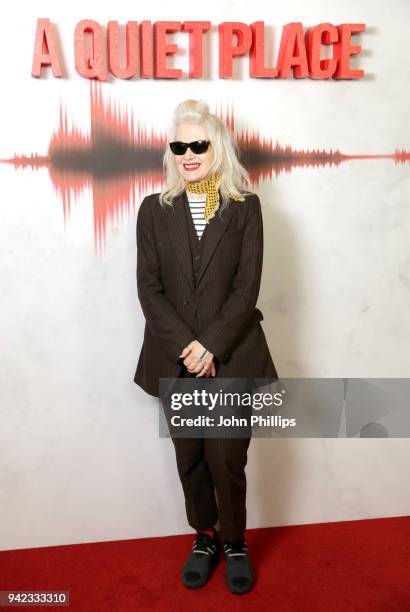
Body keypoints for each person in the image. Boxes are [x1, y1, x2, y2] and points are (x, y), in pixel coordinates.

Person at [134, 99, 278, 594]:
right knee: (190, 457)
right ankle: (206, 537)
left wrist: (211, 345)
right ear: (171, 153)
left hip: (232, 356)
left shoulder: (246, 207)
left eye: (199, 144)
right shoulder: (153, 210)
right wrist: (188, 347)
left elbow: (247, 287)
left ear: (217, 147)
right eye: (180, 146)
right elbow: (149, 289)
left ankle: (235, 542)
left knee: (226, 458)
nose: (189, 154)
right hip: (174, 357)